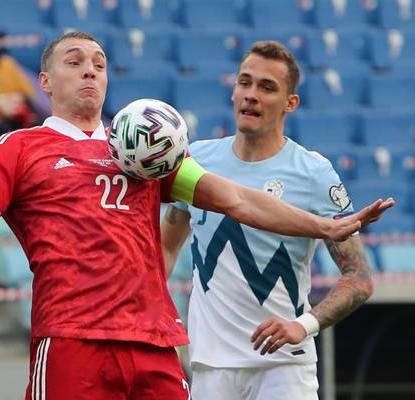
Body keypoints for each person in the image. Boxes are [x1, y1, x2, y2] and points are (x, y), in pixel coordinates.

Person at [0, 32, 393, 400]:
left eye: (100, 64)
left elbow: (238, 199)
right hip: (72, 339)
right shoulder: (18, 148)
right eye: (75, 61)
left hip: (155, 345)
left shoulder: (147, 150)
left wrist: (325, 225)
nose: (90, 70)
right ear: (44, 81)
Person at [160, 41, 380, 400]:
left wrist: (303, 325)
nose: (251, 95)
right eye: (244, 83)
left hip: (284, 368)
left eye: (266, 87)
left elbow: (359, 279)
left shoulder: (314, 173)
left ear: (290, 103)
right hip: (209, 365)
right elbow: (163, 253)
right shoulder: (194, 163)